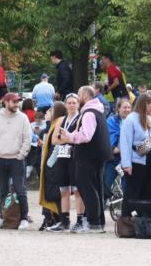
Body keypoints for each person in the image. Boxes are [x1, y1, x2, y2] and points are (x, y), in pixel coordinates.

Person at [54, 86, 113, 233]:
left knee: (88, 189)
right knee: (97, 188)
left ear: (85, 96)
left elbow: (86, 135)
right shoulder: (98, 110)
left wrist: (70, 137)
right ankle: (98, 222)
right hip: (98, 155)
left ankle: (93, 223)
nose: (78, 98)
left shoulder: (88, 113)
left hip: (89, 156)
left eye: (79, 95)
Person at [0, 92, 32, 230]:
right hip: (0, 159)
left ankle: (24, 218)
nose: (17, 104)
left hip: (16, 159)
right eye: (14, 102)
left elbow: (27, 138)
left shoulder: (23, 117)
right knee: (2, 190)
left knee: (20, 189)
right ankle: (3, 217)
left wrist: (21, 154)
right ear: (6, 102)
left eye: (18, 101)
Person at [45, 94, 84, 232]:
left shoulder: (81, 118)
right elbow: (54, 140)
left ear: (78, 104)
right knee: (64, 190)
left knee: (78, 190)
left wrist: (65, 137)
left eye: (74, 102)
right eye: (69, 103)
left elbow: (79, 137)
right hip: (62, 156)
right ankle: (64, 220)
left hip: (75, 156)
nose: (72, 105)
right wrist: (68, 138)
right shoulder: (62, 120)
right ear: (65, 105)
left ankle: (80, 220)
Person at [119, 93, 151, 202]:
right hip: (136, 162)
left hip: (149, 162)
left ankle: (144, 217)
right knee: (133, 192)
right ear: (145, 104)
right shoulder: (130, 120)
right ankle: (126, 217)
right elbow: (125, 144)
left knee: (149, 192)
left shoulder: (150, 120)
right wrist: (126, 164)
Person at [39, 101, 67, 229]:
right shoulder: (52, 124)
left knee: (55, 192)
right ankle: (52, 218)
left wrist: (49, 164)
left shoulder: (59, 122)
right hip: (52, 163)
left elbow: (57, 145)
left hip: (54, 163)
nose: (46, 113)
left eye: (50, 111)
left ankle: (59, 219)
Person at [105, 98, 131, 201]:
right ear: (118, 109)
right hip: (113, 158)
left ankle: (126, 214)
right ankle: (99, 214)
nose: (127, 109)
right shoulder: (111, 121)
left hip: (127, 159)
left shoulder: (133, 121)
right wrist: (113, 148)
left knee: (127, 187)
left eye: (129, 107)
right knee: (105, 184)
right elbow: (106, 137)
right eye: (124, 107)